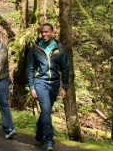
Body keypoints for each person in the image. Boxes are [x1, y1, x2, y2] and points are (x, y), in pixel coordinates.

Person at [26, 23, 69, 151]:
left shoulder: (59, 48)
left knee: (46, 111)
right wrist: (32, 86)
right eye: (42, 32)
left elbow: (65, 68)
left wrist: (64, 86)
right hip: (41, 83)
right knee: (45, 110)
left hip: (55, 83)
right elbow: (30, 68)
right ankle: (49, 140)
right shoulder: (35, 48)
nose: (44, 34)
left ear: (52, 32)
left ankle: (39, 135)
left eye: (46, 32)